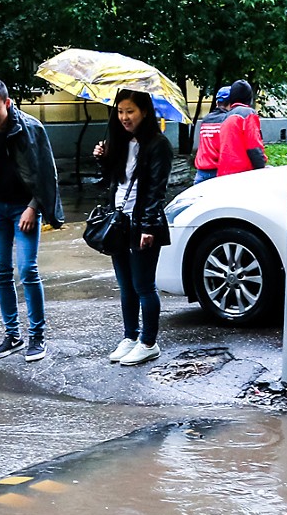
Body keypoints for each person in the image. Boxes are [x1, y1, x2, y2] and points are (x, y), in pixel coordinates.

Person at [0, 78, 64, 364]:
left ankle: (37, 336)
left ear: (7, 102)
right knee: (1, 273)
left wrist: (34, 207)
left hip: (24, 208)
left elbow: (46, 174)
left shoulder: (31, 129)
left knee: (28, 270)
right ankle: (12, 335)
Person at [92, 89, 173, 367]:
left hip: (143, 224)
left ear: (145, 112)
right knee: (125, 286)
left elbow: (156, 191)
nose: (124, 117)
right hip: (119, 223)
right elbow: (110, 184)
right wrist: (103, 159)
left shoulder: (158, 145)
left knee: (143, 286)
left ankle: (149, 343)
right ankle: (130, 337)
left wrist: (149, 226)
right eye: (121, 111)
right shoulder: (121, 143)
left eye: (131, 111)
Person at [214, 79, 268, 178]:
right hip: (243, 174)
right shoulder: (248, 114)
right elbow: (254, 146)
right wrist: (262, 168)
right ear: (249, 97)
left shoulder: (225, 117)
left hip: (223, 173)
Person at [191, 86, 234, 184]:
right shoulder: (228, 120)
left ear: (216, 102)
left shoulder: (206, 119)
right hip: (218, 173)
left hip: (201, 173)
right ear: (231, 103)